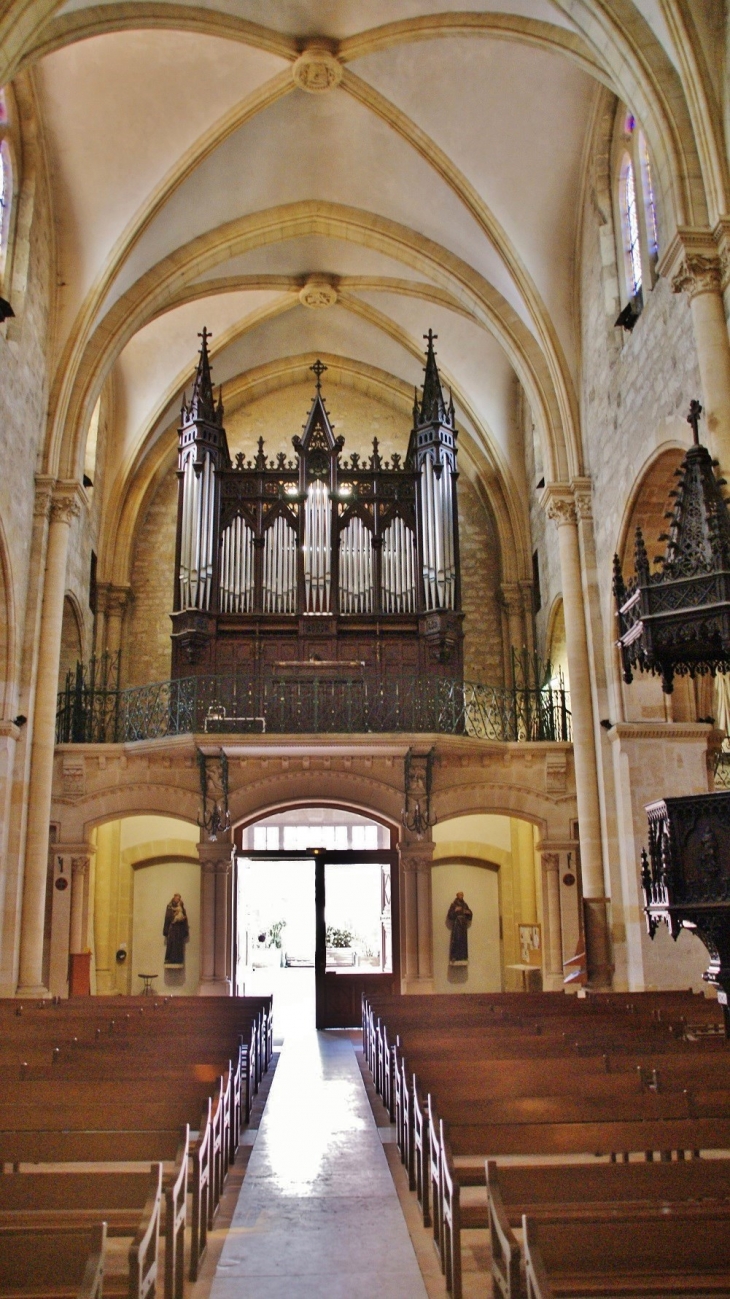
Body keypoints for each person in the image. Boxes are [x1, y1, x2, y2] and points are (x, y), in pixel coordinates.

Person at [163, 893, 189, 967]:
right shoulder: (169, 907)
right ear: (174, 898)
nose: (178, 900)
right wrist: (174, 916)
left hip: (179, 929)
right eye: (177, 898)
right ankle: (170, 959)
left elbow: (184, 917)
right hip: (172, 928)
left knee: (178, 944)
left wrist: (183, 920)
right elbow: (168, 917)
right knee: (171, 943)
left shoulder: (181, 907)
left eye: (179, 899)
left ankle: (178, 959)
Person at [447, 892, 472, 966]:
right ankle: (455, 957)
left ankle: (463, 957)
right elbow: (450, 915)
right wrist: (455, 910)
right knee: (457, 940)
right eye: (460, 895)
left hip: (463, 926)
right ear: (457, 896)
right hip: (457, 925)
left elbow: (469, 913)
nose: (461, 896)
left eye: (462, 895)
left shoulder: (465, 904)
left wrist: (468, 912)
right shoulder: (454, 905)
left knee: (463, 941)